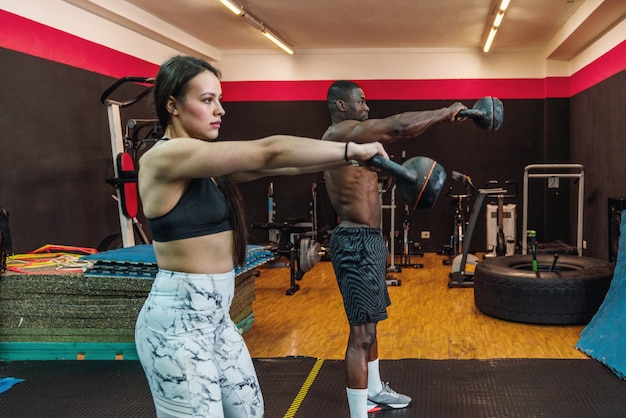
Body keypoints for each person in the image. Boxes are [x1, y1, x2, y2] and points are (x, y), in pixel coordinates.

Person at [134, 57, 389, 418]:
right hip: (176, 328)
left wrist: (345, 160)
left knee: (250, 410)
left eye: (219, 99)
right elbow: (268, 150)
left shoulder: (208, 168)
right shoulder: (164, 158)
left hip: (218, 320)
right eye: (207, 100)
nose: (219, 110)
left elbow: (280, 164)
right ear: (172, 105)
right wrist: (352, 150)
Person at [321, 80, 467, 417]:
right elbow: (398, 126)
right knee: (361, 333)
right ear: (342, 105)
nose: (367, 107)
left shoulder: (355, 145)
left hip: (369, 242)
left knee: (371, 325)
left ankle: (374, 391)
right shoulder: (341, 133)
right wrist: (444, 113)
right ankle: (360, 412)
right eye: (361, 101)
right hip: (355, 243)